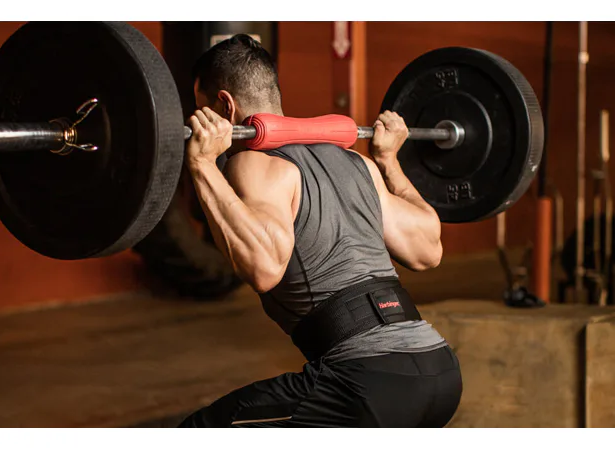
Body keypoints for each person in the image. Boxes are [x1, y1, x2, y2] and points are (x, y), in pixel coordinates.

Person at [178, 34, 462, 428]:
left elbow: (264, 269)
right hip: (439, 371)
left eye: (202, 111)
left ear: (226, 106)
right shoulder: (357, 163)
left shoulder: (254, 164)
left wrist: (203, 165)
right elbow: (428, 249)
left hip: (365, 382)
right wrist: (388, 161)